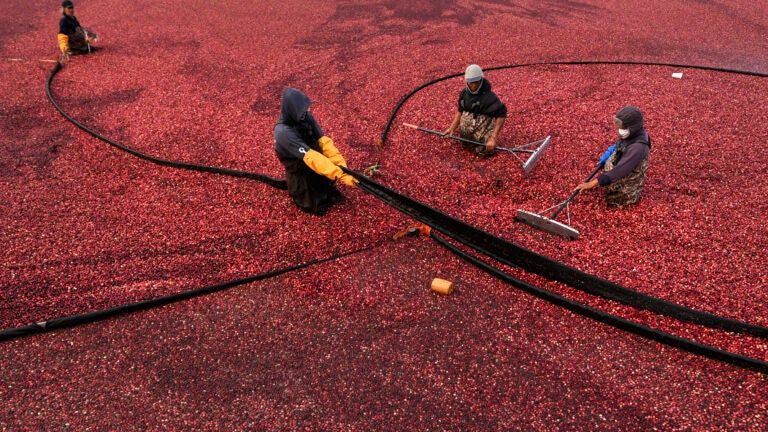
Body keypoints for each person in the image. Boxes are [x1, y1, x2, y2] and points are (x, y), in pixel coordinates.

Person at [274, 88, 358, 216]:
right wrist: (338, 174)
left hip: (314, 159)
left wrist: (343, 168)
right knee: (313, 200)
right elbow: (311, 157)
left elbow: (324, 142)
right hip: (300, 167)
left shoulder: (306, 116)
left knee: (326, 185)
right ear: (292, 109)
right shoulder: (283, 132)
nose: (307, 112)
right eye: (302, 110)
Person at [575, 105, 651, 207]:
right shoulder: (634, 133)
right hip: (623, 167)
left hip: (627, 184)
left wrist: (591, 184)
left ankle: (624, 196)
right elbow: (622, 143)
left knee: (616, 198)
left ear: (633, 127)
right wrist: (611, 152)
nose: (620, 130)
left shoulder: (638, 147)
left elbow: (619, 171)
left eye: (623, 128)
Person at [443, 64, 507, 156]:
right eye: (471, 82)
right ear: (466, 81)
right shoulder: (464, 93)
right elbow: (460, 110)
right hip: (466, 137)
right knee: (467, 144)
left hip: (483, 135)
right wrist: (452, 128)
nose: (474, 85)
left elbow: (501, 115)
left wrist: (493, 138)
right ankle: (469, 141)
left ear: (481, 80)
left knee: (485, 151)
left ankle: (482, 142)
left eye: (476, 82)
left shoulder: (489, 97)